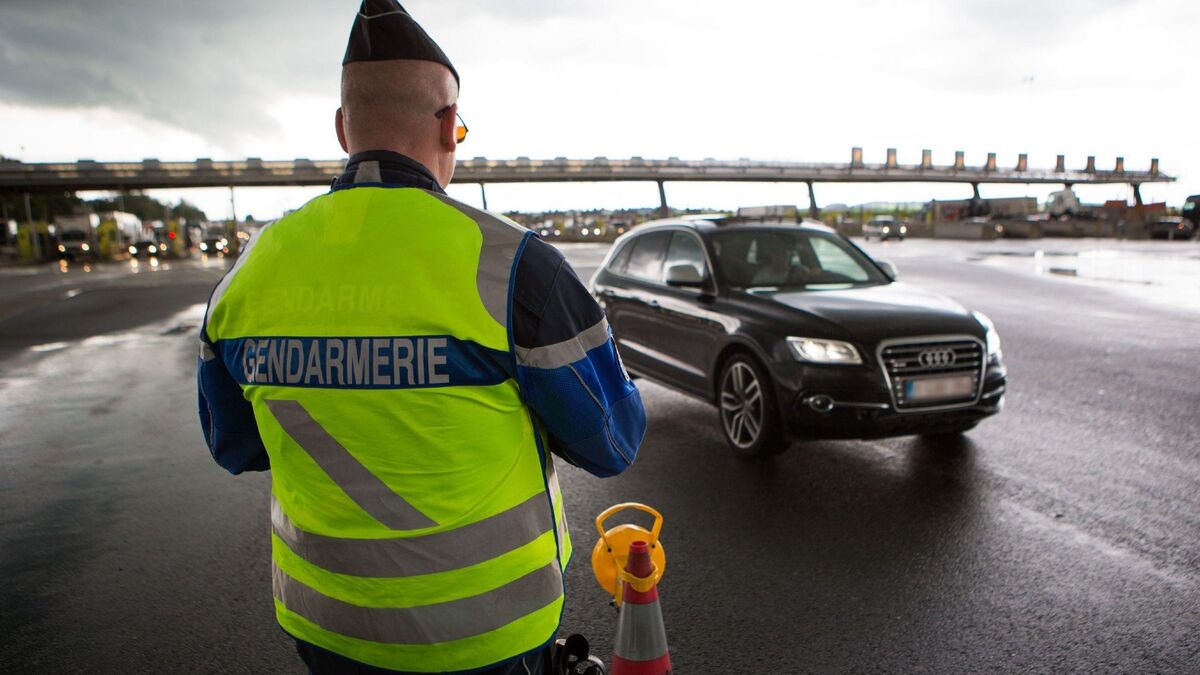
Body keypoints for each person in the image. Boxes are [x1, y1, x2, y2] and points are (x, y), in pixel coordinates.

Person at [196, 2, 647, 673]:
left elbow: (233, 444)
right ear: (447, 126)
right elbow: (613, 441)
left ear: (344, 130)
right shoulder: (513, 266)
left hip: (327, 628)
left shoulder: (251, 272)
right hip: (488, 636)